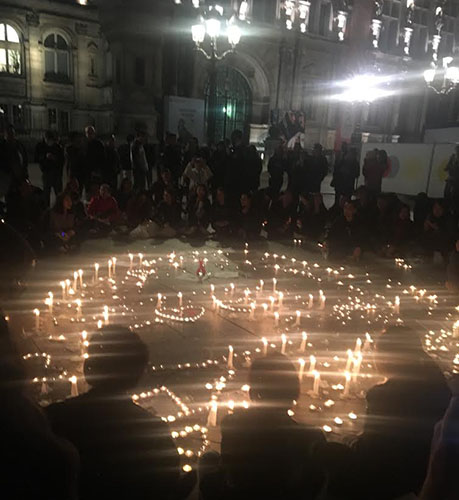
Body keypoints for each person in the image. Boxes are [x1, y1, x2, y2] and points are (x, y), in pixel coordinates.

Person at [46, 325, 195, 500]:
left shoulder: (54, 418)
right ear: (138, 374)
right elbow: (166, 486)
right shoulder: (153, 432)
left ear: (89, 368)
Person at [200, 354, 325, 500]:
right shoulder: (312, 437)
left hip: (237, 494)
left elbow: (228, 470)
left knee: (208, 459)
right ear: (294, 390)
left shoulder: (233, 423)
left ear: (254, 390)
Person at [349, 325, 451, 500]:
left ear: (385, 357)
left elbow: (370, 450)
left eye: (376, 350)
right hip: (427, 469)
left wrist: (350, 443)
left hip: (395, 477)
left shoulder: (382, 396)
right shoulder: (437, 381)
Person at [35, 130, 65, 206]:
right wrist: (45, 157)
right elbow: (36, 158)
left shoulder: (57, 147)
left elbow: (62, 160)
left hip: (56, 173)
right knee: (46, 194)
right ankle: (47, 210)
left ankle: (59, 209)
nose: (49, 141)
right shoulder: (41, 146)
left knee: (58, 193)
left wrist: (55, 158)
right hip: (46, 172)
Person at [0, 125, 28, 195]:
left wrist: (25, 174)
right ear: (5, 135)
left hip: (20, 177)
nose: (11, 135)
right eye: (9, 134)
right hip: (8, 179)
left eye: (12, 133)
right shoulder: (2, 147)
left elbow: (25, 160)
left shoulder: (19, 145)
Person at [84, 126, 105, 191]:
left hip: (96, 171)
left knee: (97, 190)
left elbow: (103, 158)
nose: (90, 135)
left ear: (94, 134)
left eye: (91, 133)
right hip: (86, 172)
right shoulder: (84, 144)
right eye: (88, 133)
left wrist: (98, 169)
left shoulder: (99, 144)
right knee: (88, 190)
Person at [444, 144, 459, 211]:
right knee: (446, 193)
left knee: (454, 196)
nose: (457, 152)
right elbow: (447, 165)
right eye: (456, 150)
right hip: (450, 178)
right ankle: (447, 207)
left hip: (457, 180)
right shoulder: (452, 157)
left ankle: (453, 208)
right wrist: (446, 168)